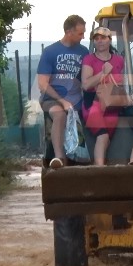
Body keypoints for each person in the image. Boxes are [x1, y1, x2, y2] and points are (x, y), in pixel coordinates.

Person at [37, 14, 89, 169]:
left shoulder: (83, 52)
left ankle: (87, 158)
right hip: (52, 99)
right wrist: (62, 100)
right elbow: (42, 83)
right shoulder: (50, 52)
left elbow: (86, 79)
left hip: (77, 100)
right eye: (80, 33)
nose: (83, 36)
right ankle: (59, 158)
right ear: (68, 32)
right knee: (59, 115)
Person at [80, 27, 125, 166]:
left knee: (107, 139)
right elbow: (86, 85)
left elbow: (121, 82)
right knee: (103, 136)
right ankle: (100, 171)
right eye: (96, 39)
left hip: (112, 104)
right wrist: (103, 73)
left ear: (109, 40)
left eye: (103, 38)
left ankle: (100, 168)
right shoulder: (89, 59)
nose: (100, 41)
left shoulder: (119, 60)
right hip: (93, 104)